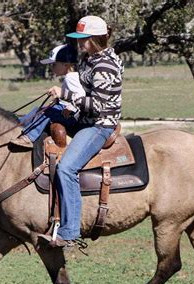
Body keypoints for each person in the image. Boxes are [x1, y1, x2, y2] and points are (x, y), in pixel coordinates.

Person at [38, 15, 124, 249]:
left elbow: (98, 106)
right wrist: (68, 108)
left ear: (96, 38)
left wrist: (65, 96)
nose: (80, 43)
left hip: (99, 125)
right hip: (84, 119)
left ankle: (69, 231)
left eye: (83, 39)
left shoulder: (105, 65)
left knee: (67, 168)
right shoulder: (89, 59)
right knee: (47, 113)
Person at [10, 44, 85, 148]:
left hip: (73, 117)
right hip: (71, 113)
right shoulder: (72, 76)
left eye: (54, 64)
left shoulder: (70, 78)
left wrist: (70, 108)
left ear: (66, 64)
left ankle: (29, 138)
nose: (51, 67)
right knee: (40, 109)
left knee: (47, 112)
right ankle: (19, 124)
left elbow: (81, 96)